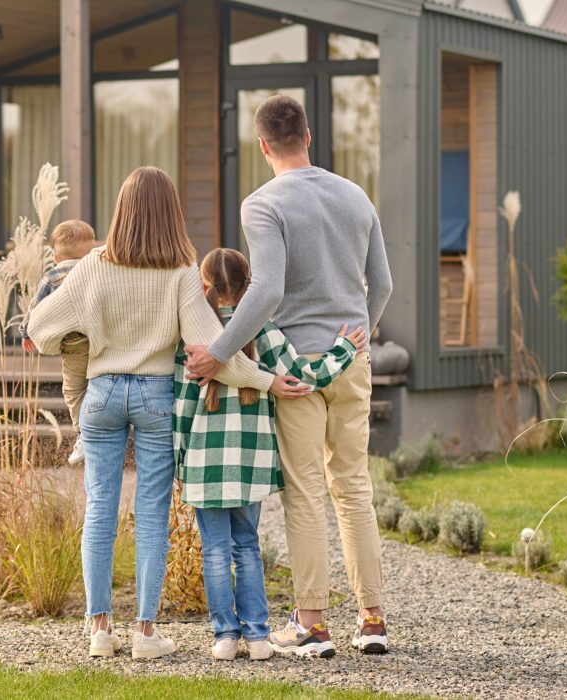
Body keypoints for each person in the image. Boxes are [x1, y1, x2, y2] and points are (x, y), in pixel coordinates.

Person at [26, 167, 310, 661]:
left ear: (121, 211)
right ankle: (144, 633)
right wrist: (267, 380)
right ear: (171, 214)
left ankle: (99, 630)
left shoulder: (92, 265)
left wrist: (83, 339)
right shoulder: (181, 273)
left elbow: (39, 327)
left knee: (99, 509)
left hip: (101, 393)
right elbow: (212, 353)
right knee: (152, 514)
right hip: (157, 397)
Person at [184, 95, 393, 656]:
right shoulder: (355, 196)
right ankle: (371, 619)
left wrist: (219, 352)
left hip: (294, 371)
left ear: (261, 146)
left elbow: (267, 289)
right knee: (354, 490)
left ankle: (313, 625)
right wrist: (356, 343)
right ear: (308, 134)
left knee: (304, 495)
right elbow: (384, 283)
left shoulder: (262, 204)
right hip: (350, 361)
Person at [174, 248, 365, 661]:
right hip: (252, 462)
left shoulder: (194, 336)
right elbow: (304, 377)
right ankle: (259, 637)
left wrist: (180, 459)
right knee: (247, 546)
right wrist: (344, 349)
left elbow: (182, 405)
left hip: (205, 465)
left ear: (203, 287)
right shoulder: (264, 330)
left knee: (215, 551)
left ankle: (225, 637)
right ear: (251, 287)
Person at [20, 219, 97, 466]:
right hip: (101, 341)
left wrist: (25, 332)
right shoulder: (97, 270)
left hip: (73, 346)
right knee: (97, 385)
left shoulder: (52, 276)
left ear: (55, 256)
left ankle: (84, 433)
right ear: (92, 250)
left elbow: (35, 307)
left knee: (74, 390)